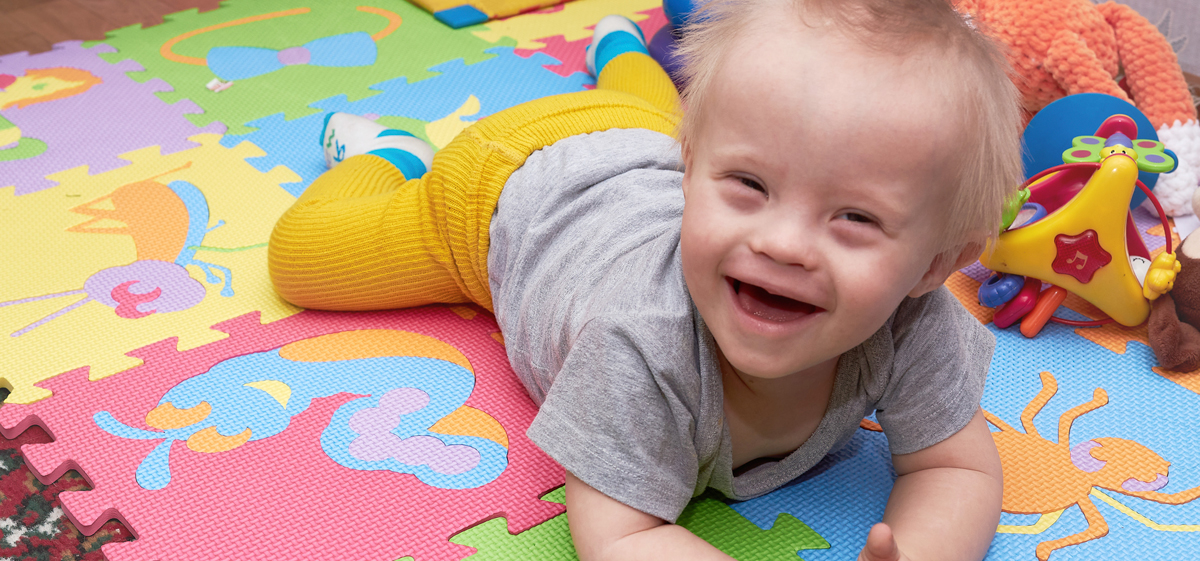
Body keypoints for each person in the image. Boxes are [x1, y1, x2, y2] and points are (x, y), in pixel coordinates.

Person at [268, 0, 1023, 559]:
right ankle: (390, 155)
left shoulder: (916, 321)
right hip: (497, 192)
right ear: (691, 173)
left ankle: (621, 47)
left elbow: (954, 465)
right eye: (749, 186)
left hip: (639, 137)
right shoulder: (640, 340)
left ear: (934, 266)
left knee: (650, 108)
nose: (783, 243)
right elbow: (620, 532)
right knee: (301, 258)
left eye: (855, 217)